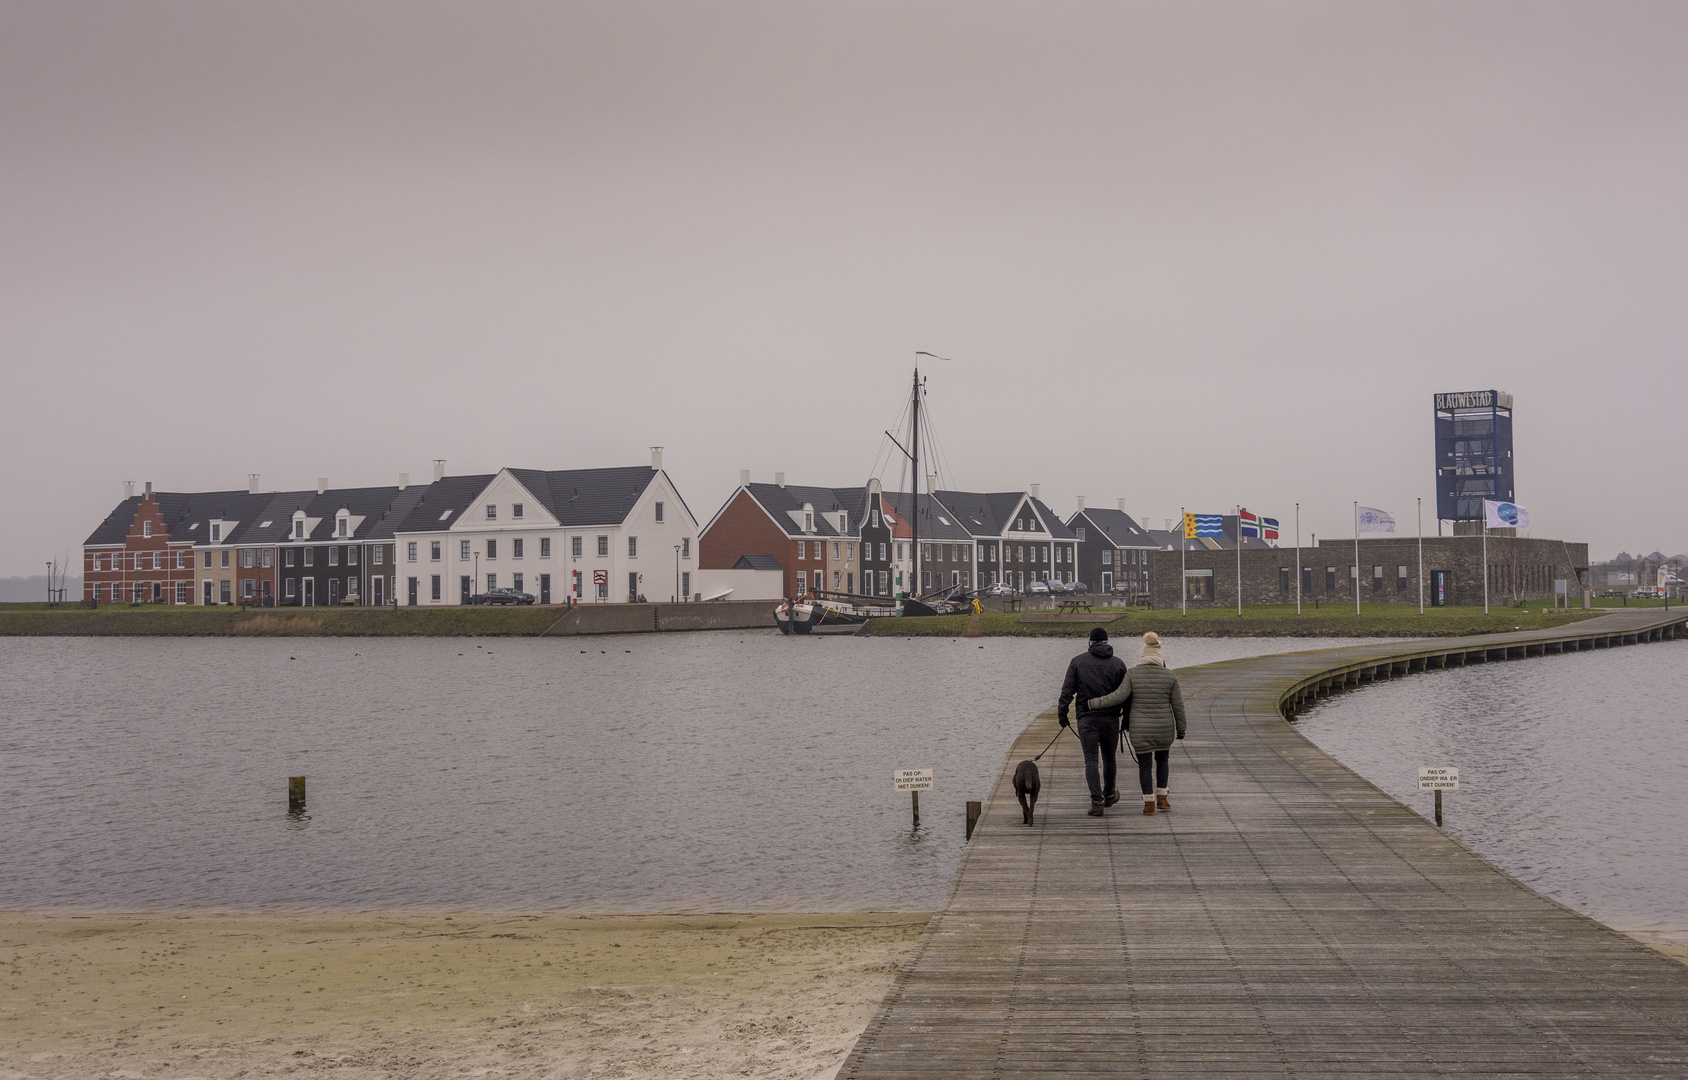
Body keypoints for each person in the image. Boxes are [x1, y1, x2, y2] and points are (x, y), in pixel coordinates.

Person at [1087, 631, 1186, 815]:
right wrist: (1181, 730)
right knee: (1163, 760)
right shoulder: (1170, 676)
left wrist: (1093, 703)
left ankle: (1149, 803)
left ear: (1143, 654)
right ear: (1159, 655)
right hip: (1164, 728)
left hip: (1140, 729)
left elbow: (1118, 697)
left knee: (1145, 764)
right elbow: (1178, 706)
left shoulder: (1133, 674)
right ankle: (1163, 799)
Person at [1057, 627, 1129, 816]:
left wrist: (1062, 716)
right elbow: (1127, 695)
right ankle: (1110, 794)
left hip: (1087, 719)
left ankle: (1097, 801)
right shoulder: (1119, 664)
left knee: (1091, 759)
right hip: (1111, 719)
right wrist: (1127, 719)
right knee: (1109, 758)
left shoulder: (1077, 662)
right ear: (1107, 641)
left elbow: (1067, 692)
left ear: (1090, 642)